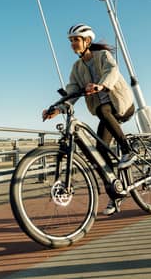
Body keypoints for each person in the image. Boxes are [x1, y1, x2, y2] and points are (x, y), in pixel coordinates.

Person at [42, 23, 136, 215]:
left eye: (76, 39)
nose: (72, 44)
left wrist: (101, 86)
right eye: (70, 41)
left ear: (87, 41)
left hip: (121, 104)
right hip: (104, 112)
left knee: (103, 110)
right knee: (100, 150)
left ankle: (128, 150)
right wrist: (58, 109)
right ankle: (115, 194)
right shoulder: (77, 68)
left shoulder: (103, 56)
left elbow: (112, 71)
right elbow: (72, 91)